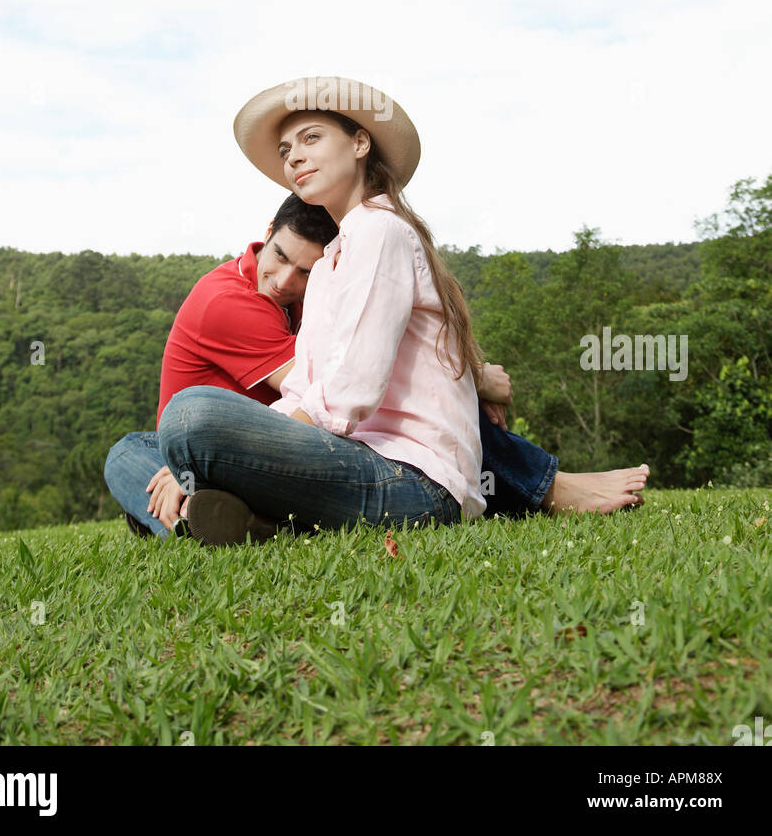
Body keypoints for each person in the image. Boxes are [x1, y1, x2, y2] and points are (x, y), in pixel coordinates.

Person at [158, 76, 649, 547]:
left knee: (191, 416)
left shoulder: (380, 231)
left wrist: (219, 450)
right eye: (286, 150)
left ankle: (243, 503)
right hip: (364, 459)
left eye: (310, 138)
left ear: (359, 144)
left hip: (417, 481)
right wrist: (222, 452)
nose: (294, 157)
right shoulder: (329, 264)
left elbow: (350, 392)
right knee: (187, 427)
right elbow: (306, 387)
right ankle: (258, 519)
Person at [103, 194, 337, 539]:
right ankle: (204, 513)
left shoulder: (303, 298)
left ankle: (198, 514)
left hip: (253, 448)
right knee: (127, 453)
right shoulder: (227, 301)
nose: (285, 281)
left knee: (134, 458)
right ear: (268, 233)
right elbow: (314, 384)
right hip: (207, 443)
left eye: (304, 272)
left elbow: (324, 392)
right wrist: (186, 464)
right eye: (280, 256)